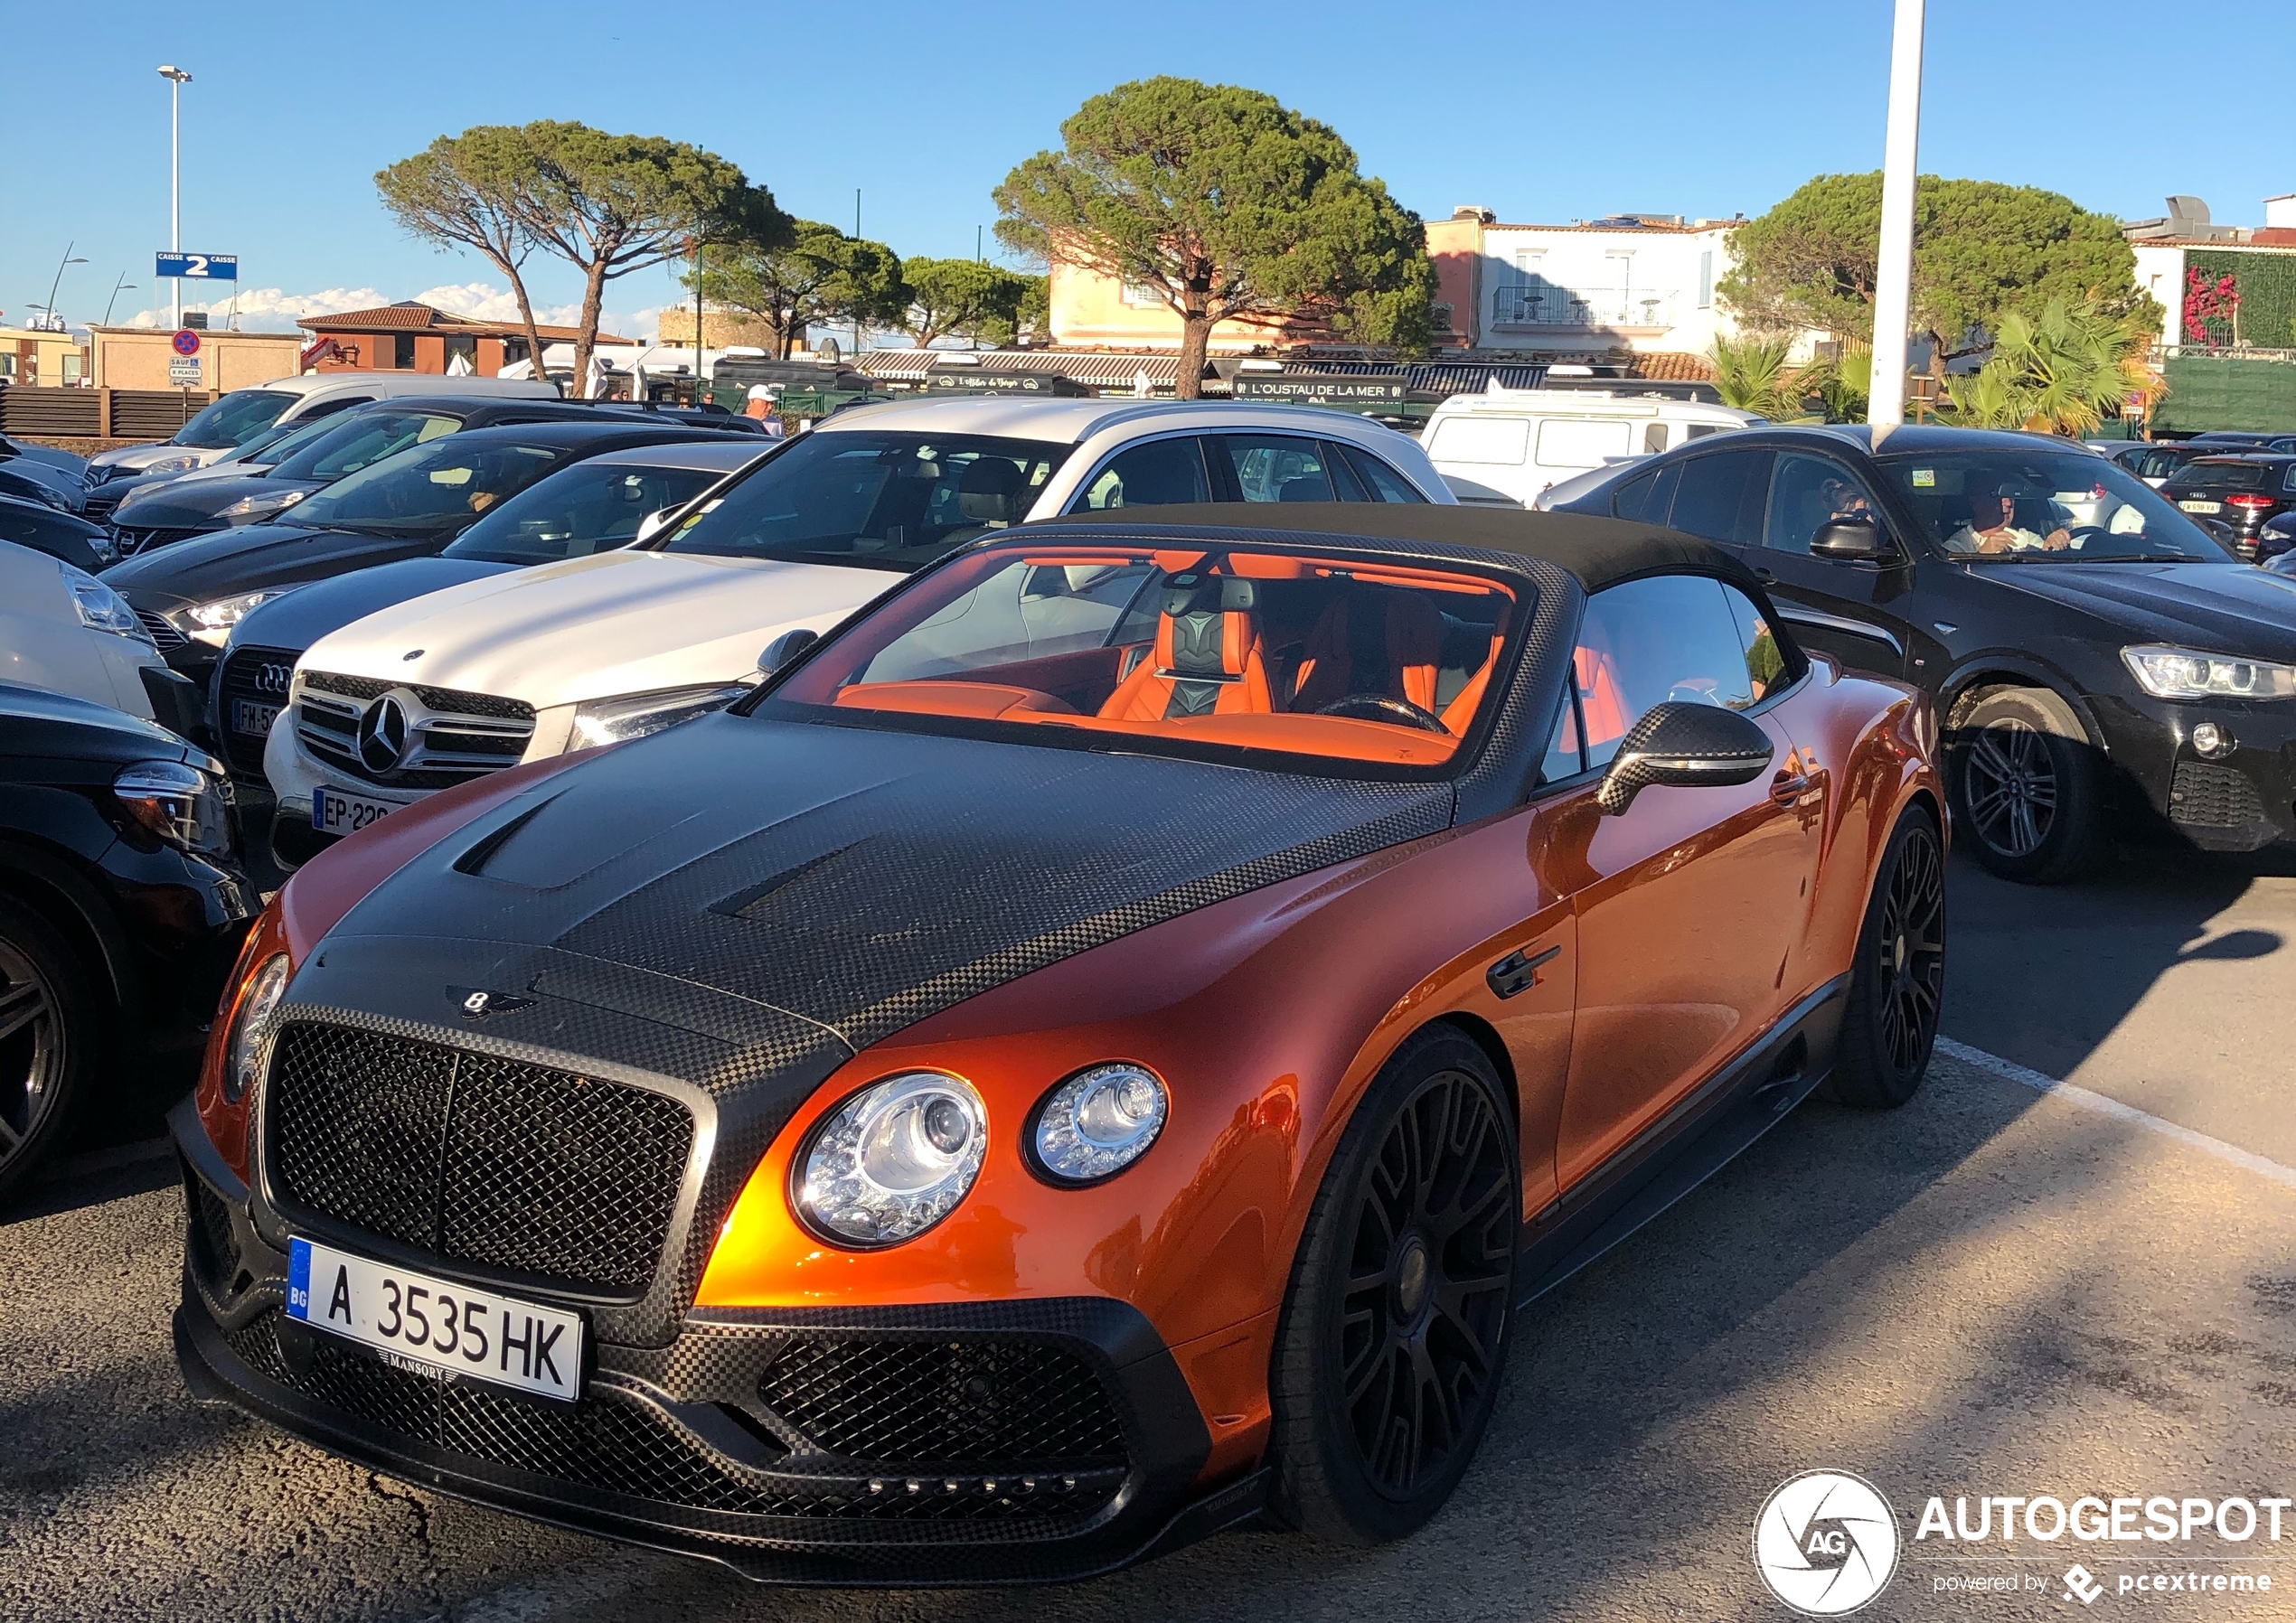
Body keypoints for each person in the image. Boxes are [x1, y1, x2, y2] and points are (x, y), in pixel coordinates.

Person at [1948, 485, 2072, 555]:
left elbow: (2043, 568)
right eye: (1996, 495)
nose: (2007, 503)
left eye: (2011, 496)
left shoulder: (2026, 537)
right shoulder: (1956, 547)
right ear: (1974, 502)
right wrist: (1981, 556)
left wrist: (2052, 546)